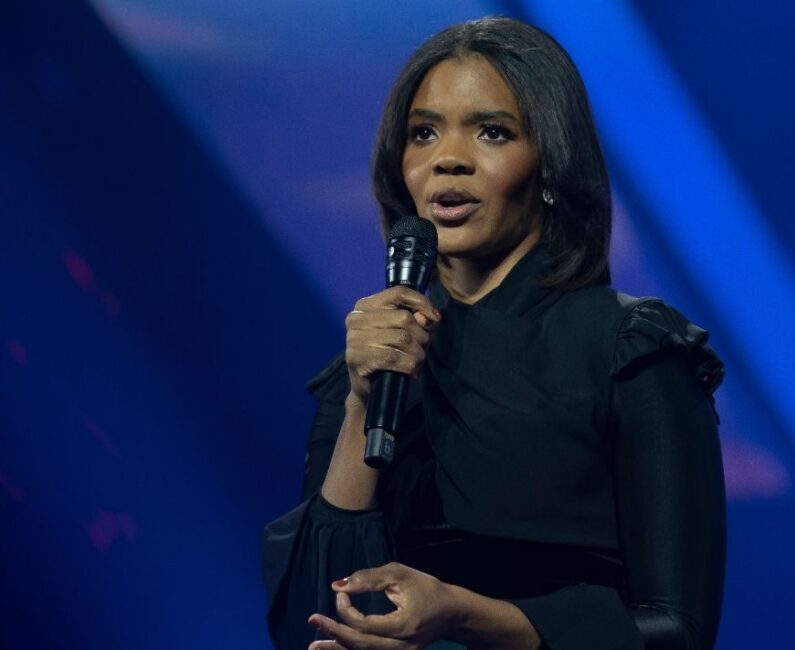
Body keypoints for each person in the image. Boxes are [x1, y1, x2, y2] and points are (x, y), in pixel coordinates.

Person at [263, 16, 726, 650]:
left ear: (552, 164)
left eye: (491, 132)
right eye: (423, 132)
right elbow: (307, 626)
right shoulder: (367, 372)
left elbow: (680, 631)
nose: (448, 159)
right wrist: (362, 406)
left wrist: (464, 614)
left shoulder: (631, 351)